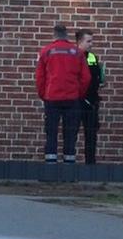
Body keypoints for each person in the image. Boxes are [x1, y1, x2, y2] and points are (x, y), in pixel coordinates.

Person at [35, 24, 91, 163]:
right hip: (72, 98)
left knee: (51, 132)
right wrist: (79, 93)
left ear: (54, 36)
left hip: (52, 98)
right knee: (70, 133)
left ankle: (50, 165)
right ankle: (69, 166)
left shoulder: (46, 51)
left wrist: (44, 95)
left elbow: (40, 77)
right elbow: (86, 78)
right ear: (67, 35)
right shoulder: (77, 52)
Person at [76, 29, 105, 164]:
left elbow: (99, 78)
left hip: (91, 102)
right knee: (71, 132)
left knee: (91, 135)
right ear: (79, 42)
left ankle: (90, 163)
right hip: (76, 101)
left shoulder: (93, 57)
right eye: (88, 41)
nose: (91, 44)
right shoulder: (73, 56)